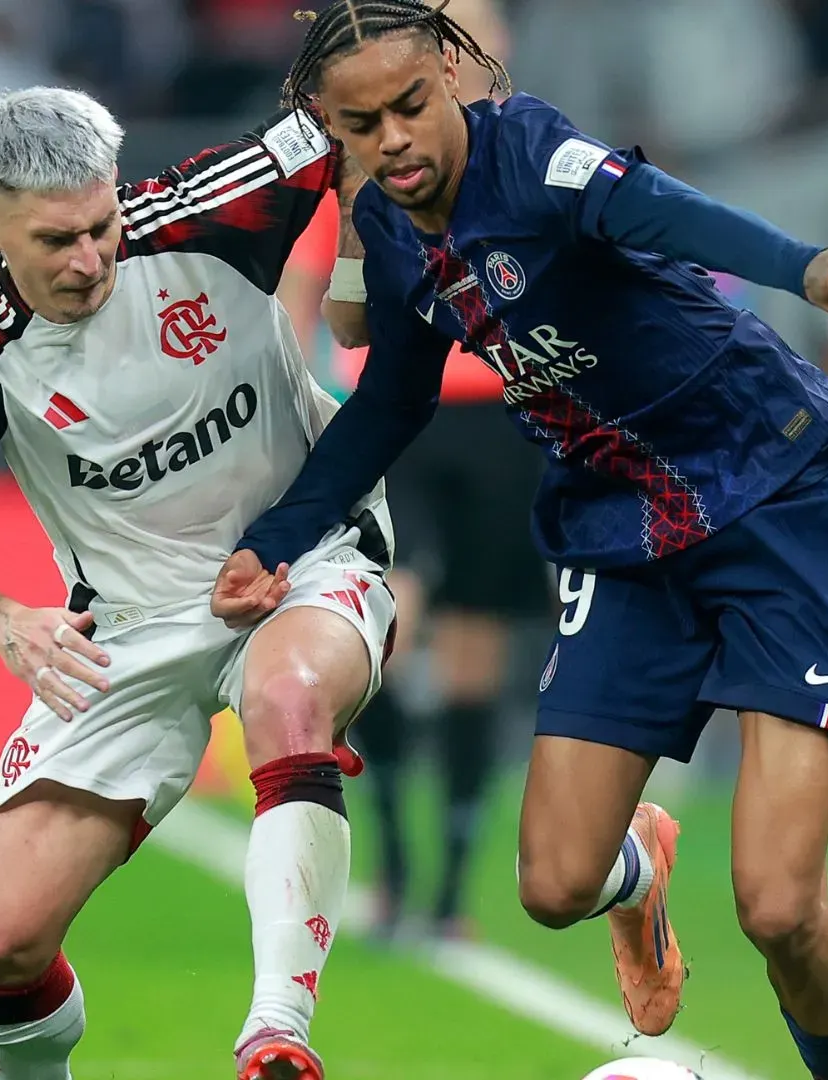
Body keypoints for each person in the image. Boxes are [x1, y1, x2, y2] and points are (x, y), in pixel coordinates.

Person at [212, 4, 828, 1077]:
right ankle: (638, 871)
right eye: (365, 124)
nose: (396, 137)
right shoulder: (394, 241)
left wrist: (804, 264)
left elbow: (665, 213)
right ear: (335, 132)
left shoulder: (531, 150)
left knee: (780, 910)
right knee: (551, 886)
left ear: (452, 78)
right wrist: (279, 536)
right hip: (619, 523)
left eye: (411, 104)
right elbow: (387, 404)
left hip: (772, 487)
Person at [0, 86, 397, 1080]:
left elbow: (358, 110)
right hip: (127, 628)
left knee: (288, 693)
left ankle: (276, 1036)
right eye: (55, 241)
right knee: (1, 953)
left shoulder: (214, 209)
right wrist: (5, 623)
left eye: (100, 225)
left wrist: (356, 259)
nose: (89, 260)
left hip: (305, 559)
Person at [278, 0, 539, 943]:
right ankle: (388, 866)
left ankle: (448, 891)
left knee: (475, 643)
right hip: (400, 417)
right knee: (393, 615)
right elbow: (304, 292)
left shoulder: (522, 156)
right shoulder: (373, 156)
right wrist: (307, 402)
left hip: (509, 419)